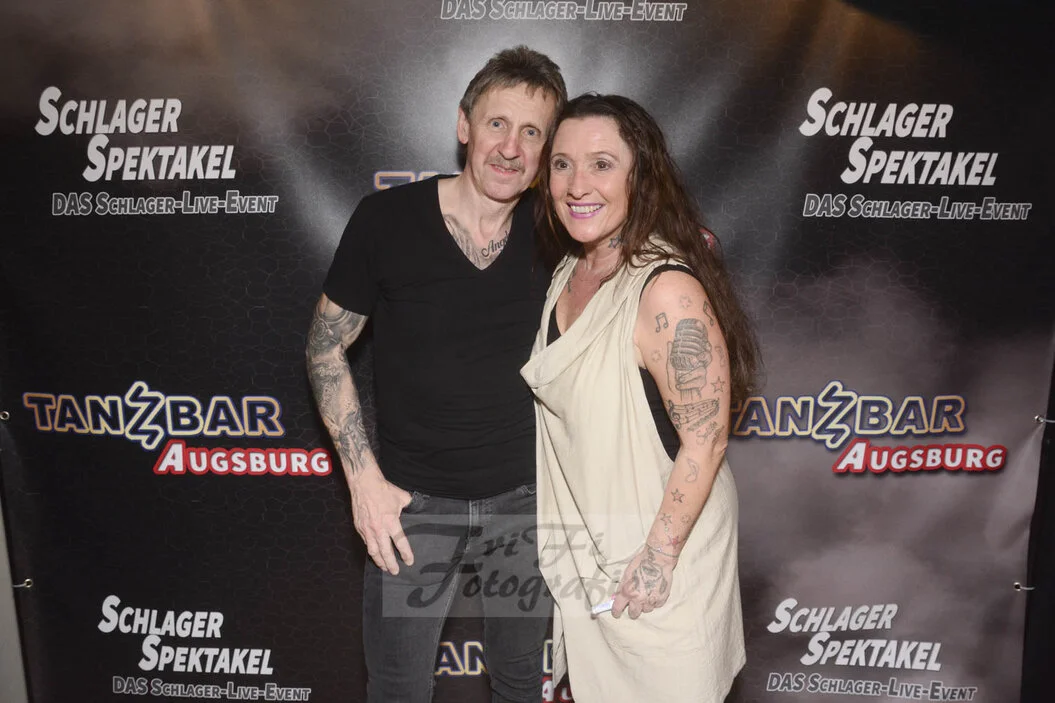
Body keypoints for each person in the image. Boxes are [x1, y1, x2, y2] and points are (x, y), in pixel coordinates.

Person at [306, 47, 567, 703]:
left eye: (531, 132)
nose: (510, 148)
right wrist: (363, 480)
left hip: (526, 504)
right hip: (410, 508)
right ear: (463, 125)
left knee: (519, 684)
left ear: (546, 150)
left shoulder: (559, 231)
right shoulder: (385, 221)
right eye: (497, 123)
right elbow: (324, 347)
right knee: (397, 689)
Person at [520, 94, 760, 701]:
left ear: (641, 176)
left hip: (662, 565)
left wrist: (657, 558)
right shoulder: (568, 273)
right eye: (562, 164)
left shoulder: (664, 290)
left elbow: (706, 440)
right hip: (594, 562)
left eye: (602, 164)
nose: (577, 185)